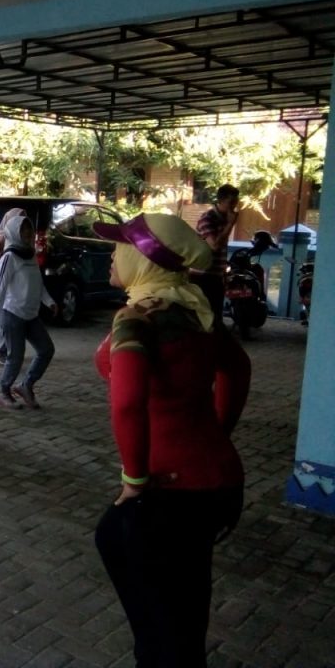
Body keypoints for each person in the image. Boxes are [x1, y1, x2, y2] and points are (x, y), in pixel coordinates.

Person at [91, 212, 248, 668]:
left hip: (173, 491)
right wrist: (218, 433)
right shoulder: (194, 312)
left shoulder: (138, 319)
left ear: (145, 259)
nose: (112, 255)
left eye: (120, 247)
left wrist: (134, 480)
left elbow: (127, 404)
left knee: (173, 629)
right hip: (215, 479)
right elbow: (238, 370)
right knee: (165, 594)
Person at [0, 214, 57, 410]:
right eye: (23, 229)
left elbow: (38, 283)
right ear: (14, 232)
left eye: (29, 228)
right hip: (12, 314)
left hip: (31, 315)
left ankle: (26, 385)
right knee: (15, 356)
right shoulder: (9, 257)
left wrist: (49, 302)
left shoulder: (30, 254)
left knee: (46, 350)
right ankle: (3, 391)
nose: (28, 233)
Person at [193, 183, 240, 328]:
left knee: (216, 316)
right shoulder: (207, 218)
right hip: (202, 276)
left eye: (236, 202)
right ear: (221, 200)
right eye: (231, 202)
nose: (234, 206)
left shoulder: (225, 218)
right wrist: (230, 225)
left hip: (216, 275)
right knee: (205, 317)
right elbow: (214, 245)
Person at [0, 207, 26, 363]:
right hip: (2, 275)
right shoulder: (4, 236)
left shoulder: (18, 237)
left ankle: (4, 348)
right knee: (3, 312)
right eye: (18, 218)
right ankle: (0, 349)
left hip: (10, 277)